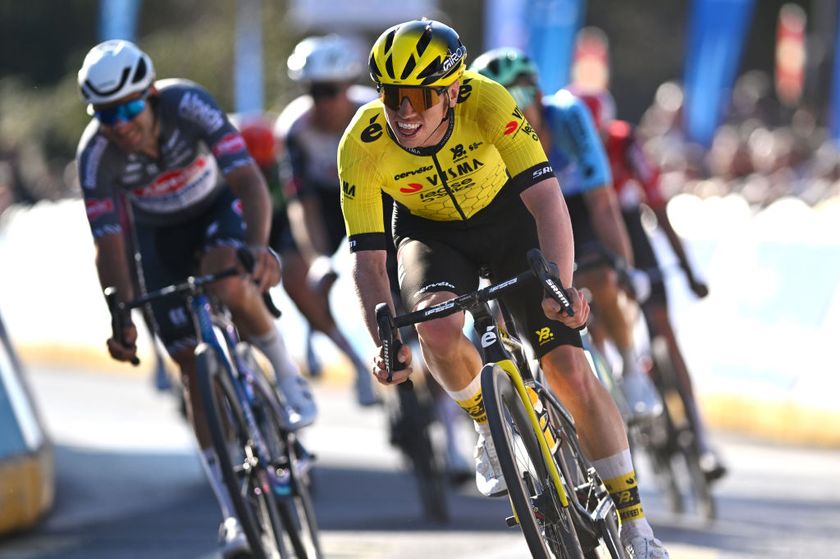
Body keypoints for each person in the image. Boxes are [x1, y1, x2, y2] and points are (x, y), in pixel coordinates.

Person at [338, 20, 670, 558]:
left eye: (420, 96)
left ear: (450, 91)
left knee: (569, 371)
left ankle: (635, 524)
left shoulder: (487, 101)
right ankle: (488, 425)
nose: (405, 111)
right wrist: (382, 337)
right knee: (435, 327)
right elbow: (369, 259)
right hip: (430, 234)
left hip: (510, 219)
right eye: (393, 96)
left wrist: (560, 288)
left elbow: (547, 201)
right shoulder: (362, 140)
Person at [75, 40, 316, 558]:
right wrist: (120, 311)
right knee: (187, 363)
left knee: (228, 281)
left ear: (153, 95)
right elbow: (109, 243)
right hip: (158, 238)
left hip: (217, 209)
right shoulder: (96, 155)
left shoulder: (189, 104)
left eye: (130, 108)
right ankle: (233, 514)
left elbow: (249, 180)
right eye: (107, 113)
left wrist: (255, 247)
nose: (120, 123)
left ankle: (288, 379)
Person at [469, 47, 663, 421]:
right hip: (526, 212)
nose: (513, 124)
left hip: (576, 204)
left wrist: (625, 267)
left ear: (539, 98)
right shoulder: (484, 135)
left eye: (520, 109)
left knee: (603, 277)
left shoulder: (569, 117)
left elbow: (604, 205)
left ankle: (630, 365)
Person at [578, 89, 727, 481]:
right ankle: (618, 395)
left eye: (600, 135)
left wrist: (687, 269)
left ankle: (702, 437)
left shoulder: (625, 142)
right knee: (599, 319)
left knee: (663, 328)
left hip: (629, 226)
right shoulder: (565, 148)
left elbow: (658, 207)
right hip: (591, 230)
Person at [275, 34, 380, 406]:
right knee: (295, 274)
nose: (322, 102)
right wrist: (318, 257)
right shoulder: (294, 129)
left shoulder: (376, 111)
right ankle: (356, 363)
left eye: (330, 91)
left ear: (349, 86)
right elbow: (301, 204)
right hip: (325, 202)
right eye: (313, 92)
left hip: (379, 195)